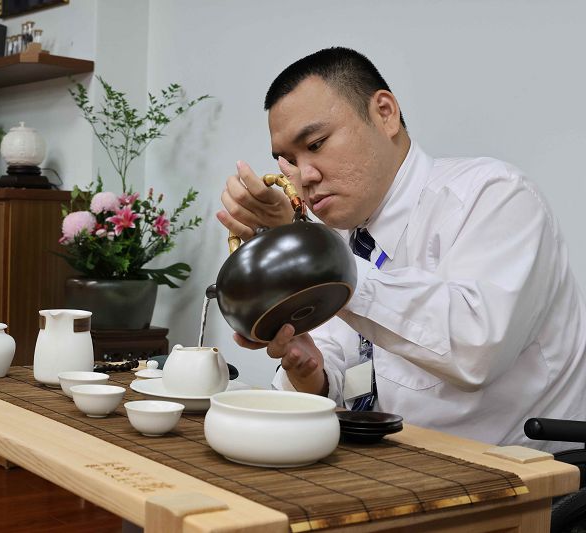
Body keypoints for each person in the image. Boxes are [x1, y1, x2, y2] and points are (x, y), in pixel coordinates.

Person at [217, 46, 586, 452]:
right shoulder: (343, 238)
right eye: (287, 160)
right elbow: (341, 370)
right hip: (392, 468)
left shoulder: (493, 196)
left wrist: (316, 260)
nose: (303, 176)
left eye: (317, 144)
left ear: (385, 113)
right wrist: (312, 374)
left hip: (522, 476)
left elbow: (475, 348)